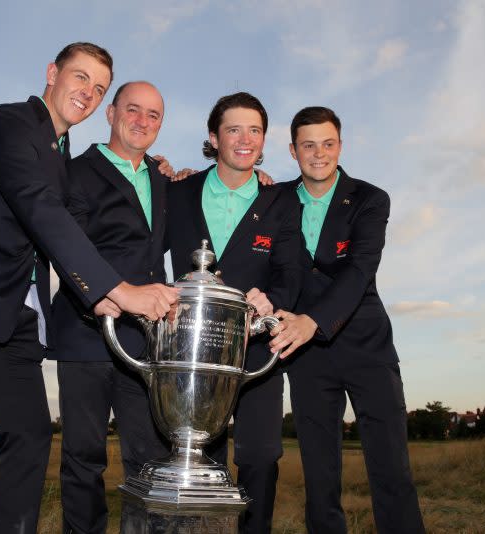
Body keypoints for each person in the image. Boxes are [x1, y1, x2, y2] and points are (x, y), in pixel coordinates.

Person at [0, 43, 177, 534]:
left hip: (17, 317)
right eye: (80, 77)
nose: (87, 91)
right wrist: (119, 290)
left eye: (98, 85)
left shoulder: (61, 153)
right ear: (51, 73)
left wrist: (160, 170)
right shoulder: (9, 125)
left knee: (30, 434)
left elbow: (77, 225)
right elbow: (41, 209)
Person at [268, 106, 425, 533]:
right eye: (308, 145)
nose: (319, 153)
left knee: (391, 469)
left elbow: (359, 272)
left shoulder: (371, 198)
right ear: (292, 150)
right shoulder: (274, 198)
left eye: (328, 143)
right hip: (306, 357)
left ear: (341, 145)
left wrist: (311, 321)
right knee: (320, 477)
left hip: (365, 345)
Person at [167, 92, 303, 533]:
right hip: (192, 351)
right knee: (202, 458)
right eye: (233, 129)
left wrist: (274, 301)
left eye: (255, 130)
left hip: (258, 350)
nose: (245, 139)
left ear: (264, 141)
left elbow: (291, 269)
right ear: (214, 137)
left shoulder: (282, 200)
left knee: (261, 459)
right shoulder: (178, 192)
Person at [48, 81, 171, 534]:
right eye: (133, 110)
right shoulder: (74, 173)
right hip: (84, 333)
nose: (142, 121)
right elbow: (68, 248)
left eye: (153, 115)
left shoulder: (163, 179)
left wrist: (257, 177)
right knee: (83, 459)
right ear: (111, 113)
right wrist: (102, 298)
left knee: (148, 461)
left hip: (146, 343)